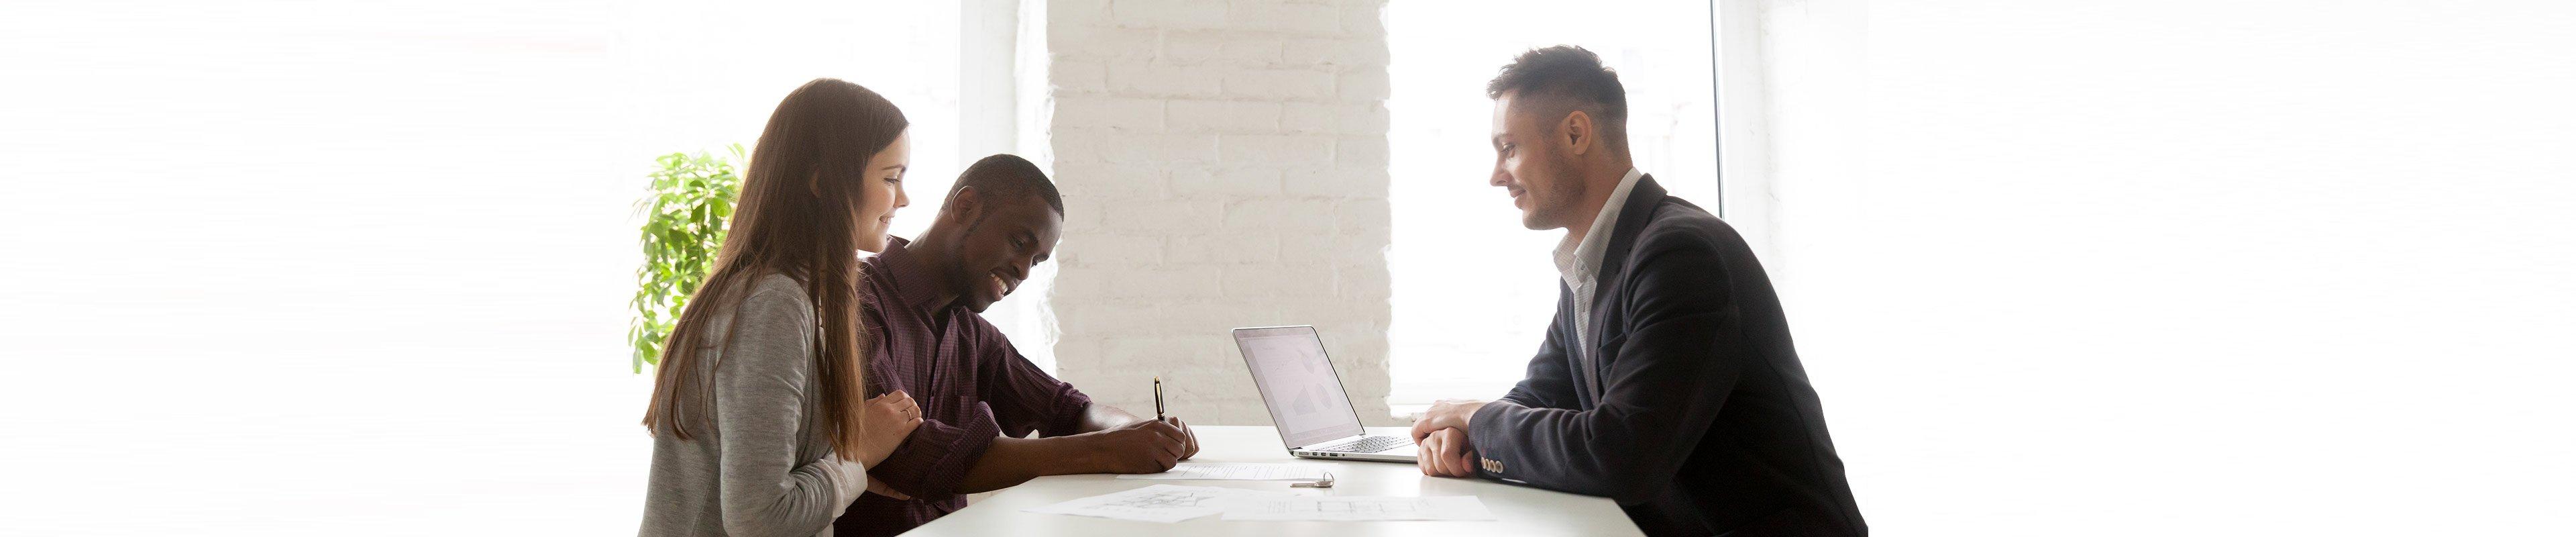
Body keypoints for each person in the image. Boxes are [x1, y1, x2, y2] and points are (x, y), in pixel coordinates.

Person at [1406, 46, 1868, 536]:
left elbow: (1621, 455)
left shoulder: (1681, 255)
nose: (1497, 175)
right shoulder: (1593, 262)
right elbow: (1542, 394)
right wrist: (1464, 433)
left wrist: (1479, 420)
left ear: (1575, 133)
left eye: (1510, 148)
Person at [831, 154, 1198, 537]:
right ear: (965, 206)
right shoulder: (855, 303)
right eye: (1021, 243)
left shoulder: (973, 334)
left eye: (1036, 262)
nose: (1024, 270)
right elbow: (908, 455)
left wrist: (1142, 433)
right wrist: (1106, 449)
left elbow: (1069, 409)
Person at [639, 78, 926, 537]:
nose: (903, 199)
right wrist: (856, 456)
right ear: (821, 181)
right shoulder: (775, 303)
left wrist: (850, 473)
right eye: (891, 178)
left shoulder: (795, 294)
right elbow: (759, 518)